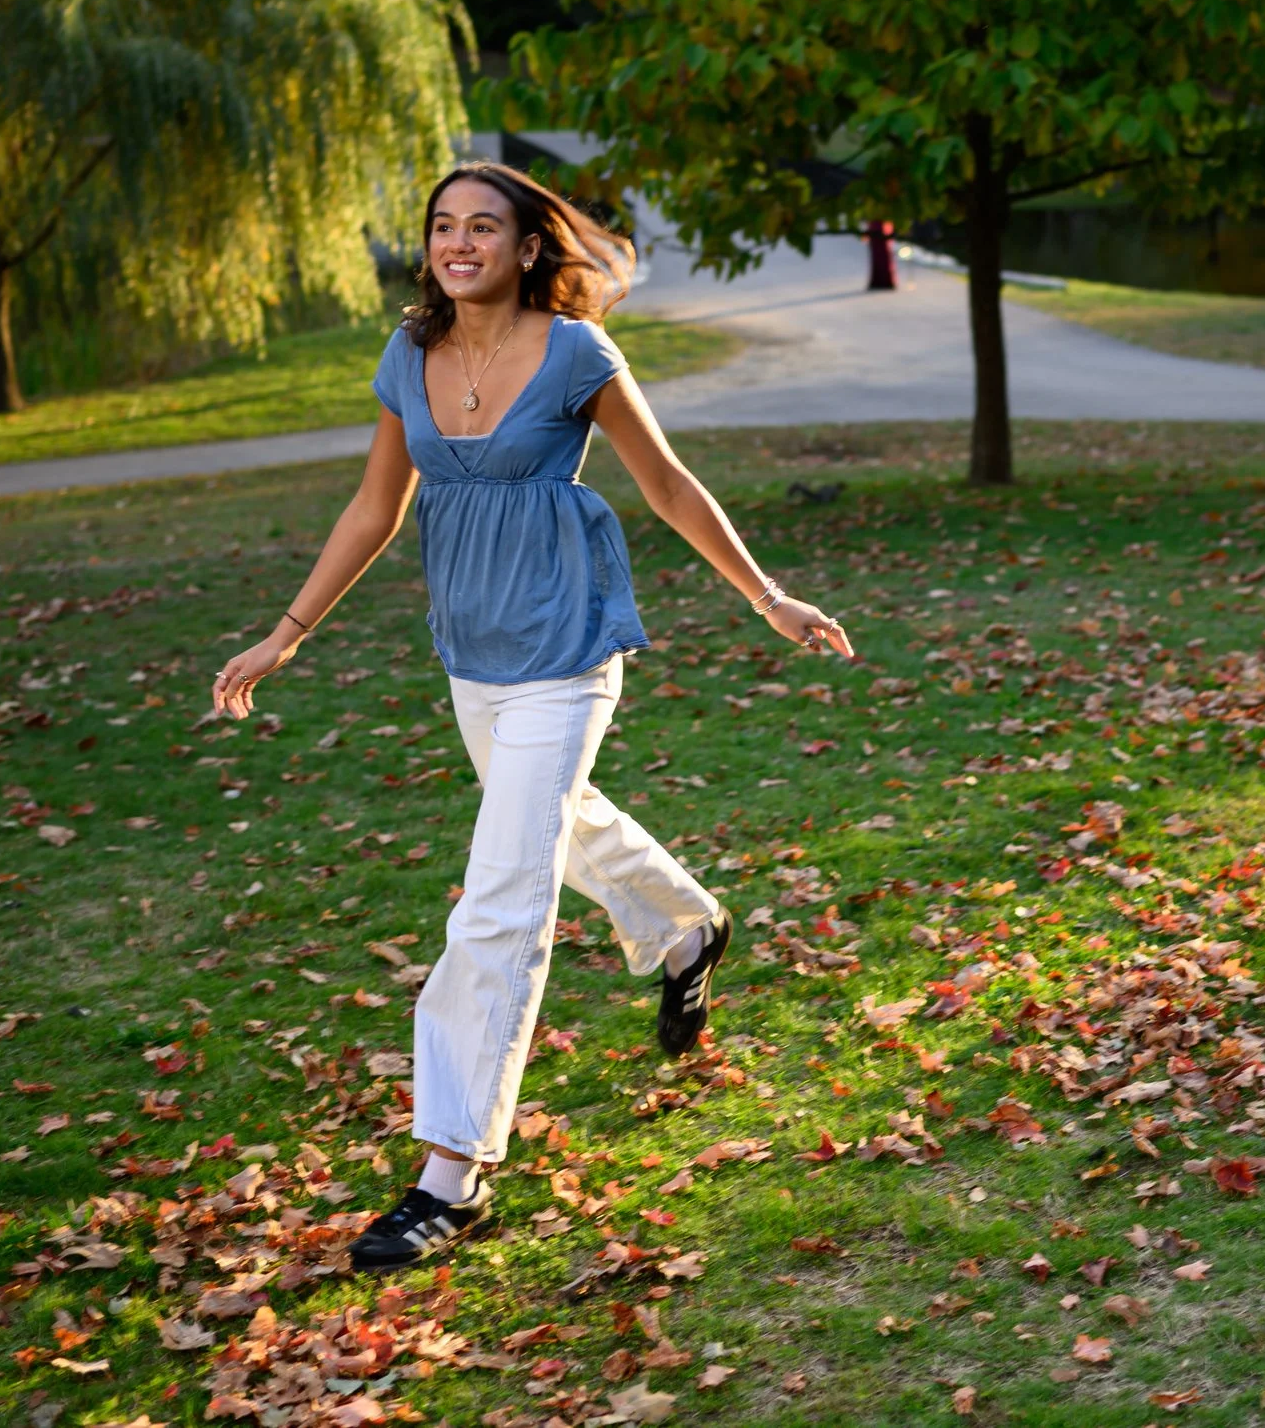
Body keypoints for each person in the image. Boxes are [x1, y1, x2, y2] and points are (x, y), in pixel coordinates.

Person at [209, 162, 852, 1272]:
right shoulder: (407, 356)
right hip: (473, 649)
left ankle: (451, 1175)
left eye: (484, 227)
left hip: (566, 644)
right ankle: (687, 927)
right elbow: (375, 504)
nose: (461, 242)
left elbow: (668, 482)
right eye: (443, 226)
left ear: (525, 246)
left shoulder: (576, 354)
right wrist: (287, 631)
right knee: (559, 821)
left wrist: (766, 594)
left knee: (502, 895)